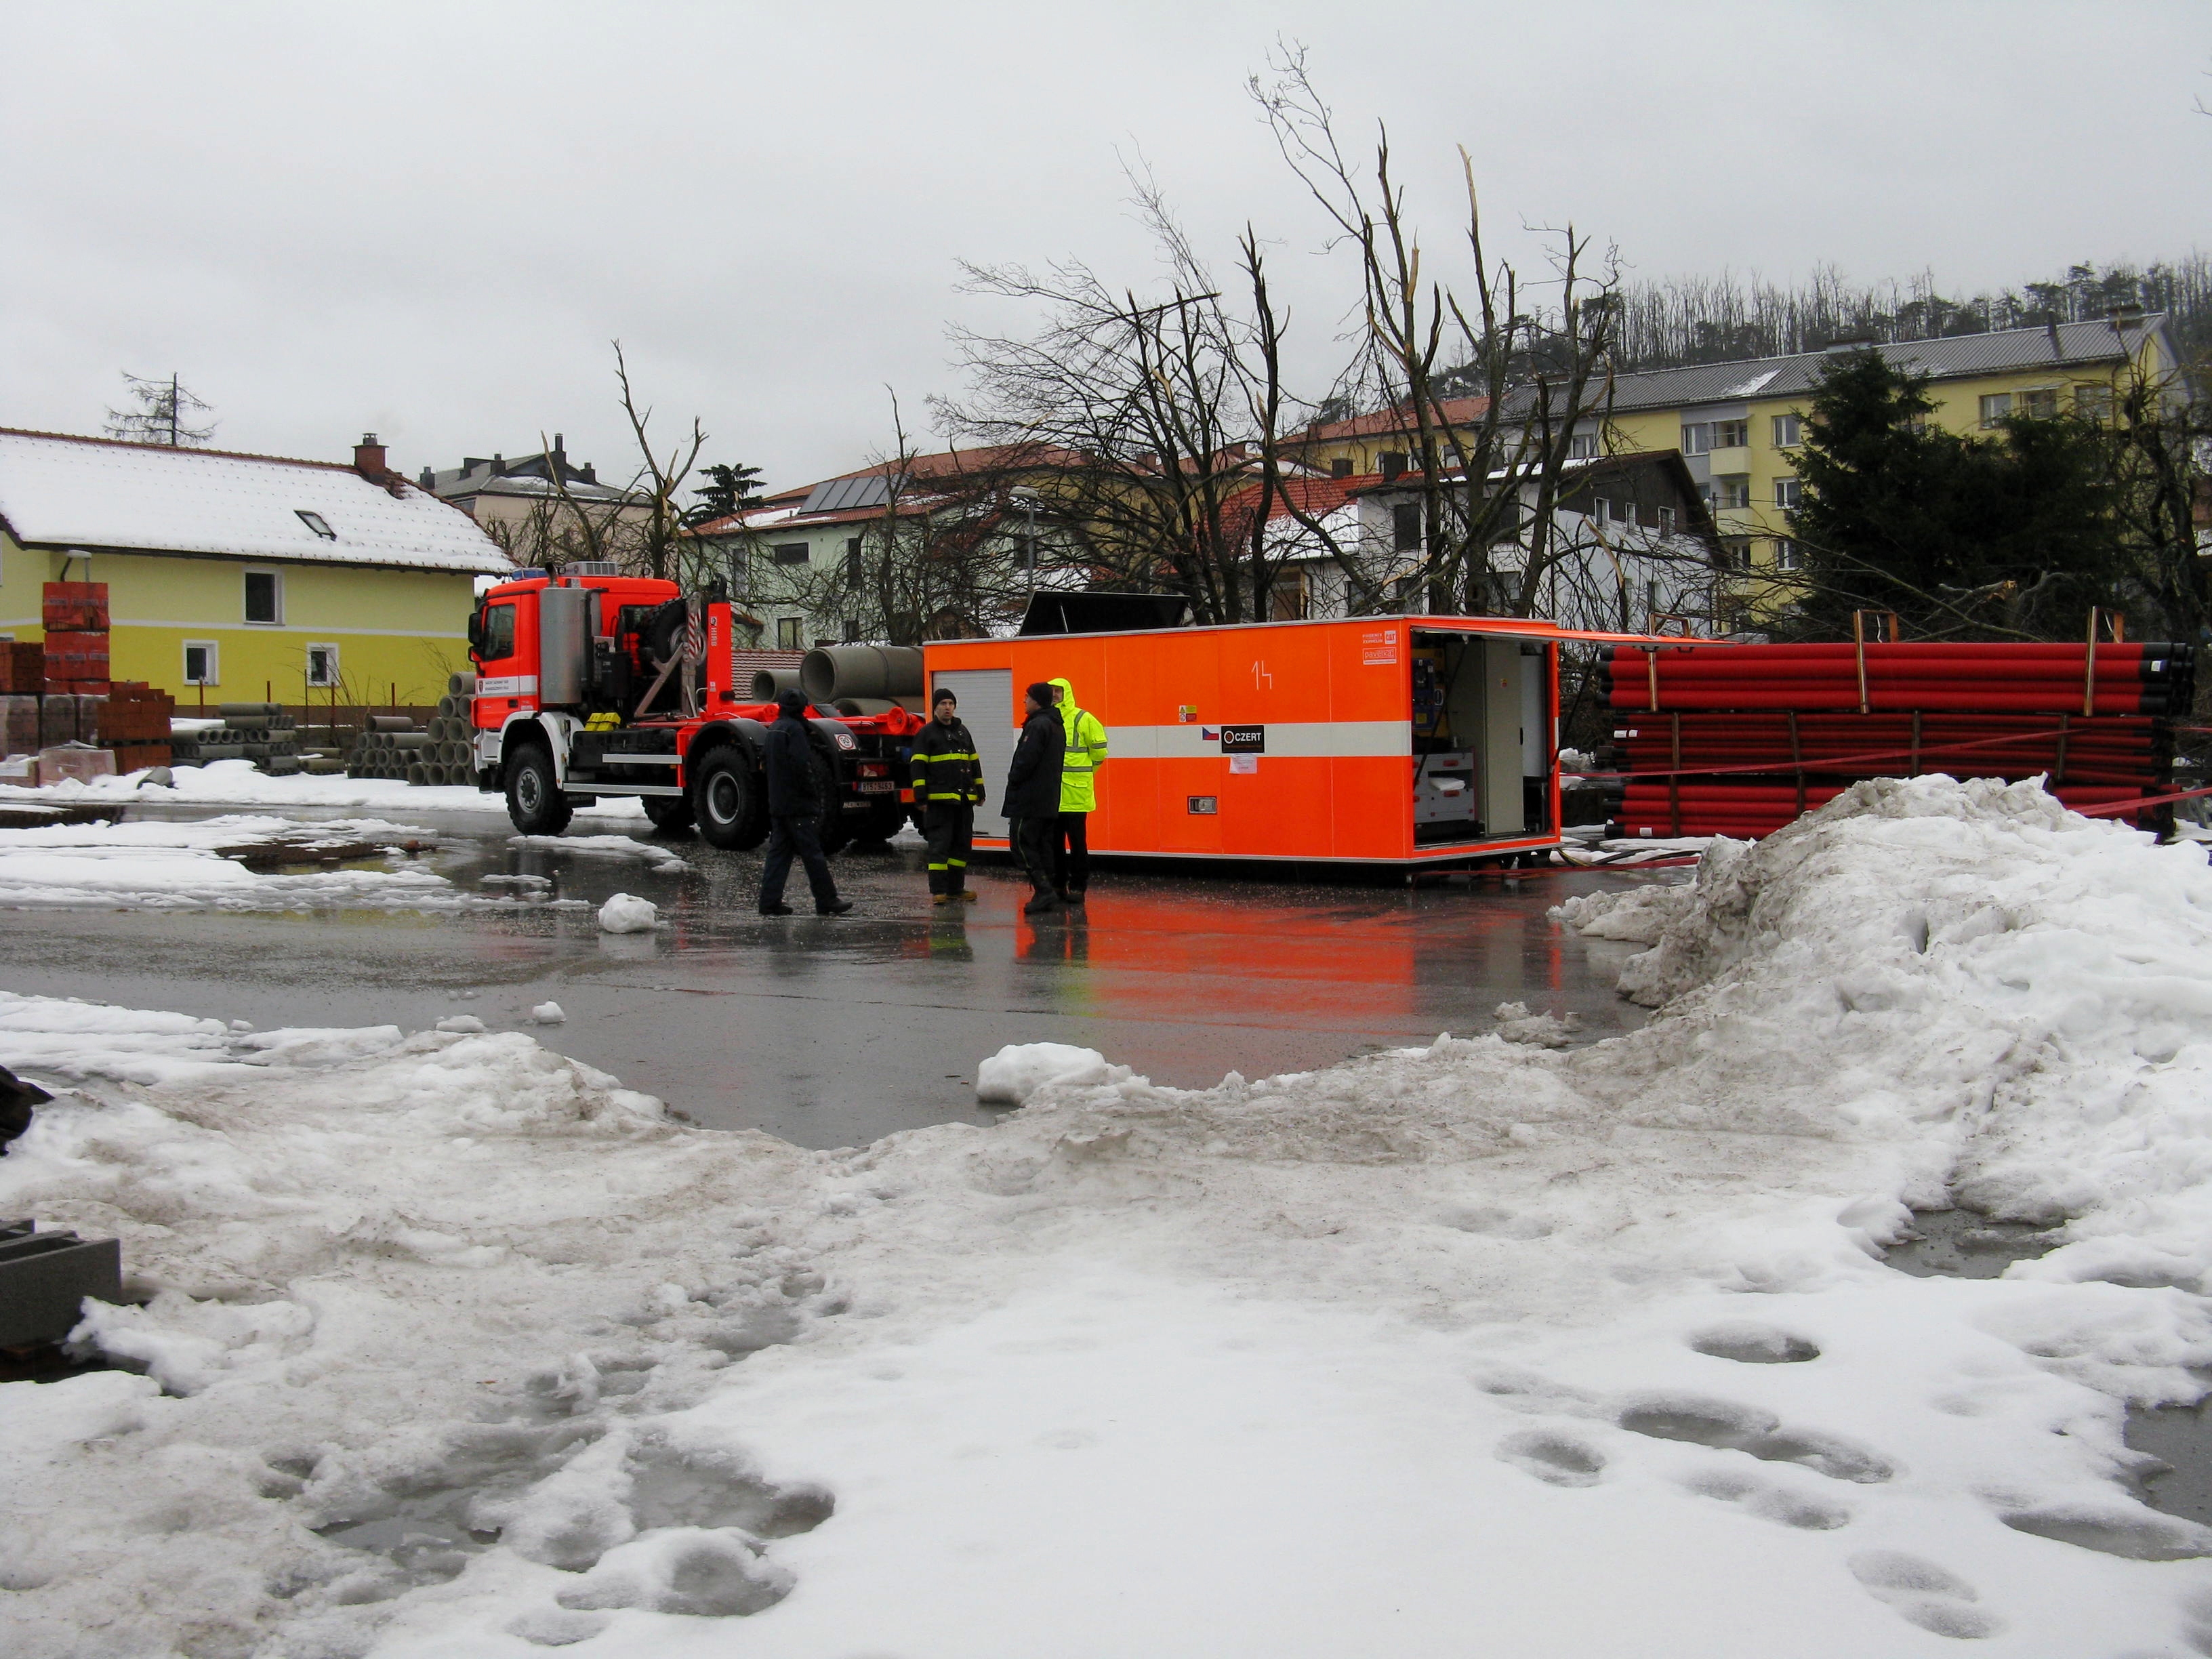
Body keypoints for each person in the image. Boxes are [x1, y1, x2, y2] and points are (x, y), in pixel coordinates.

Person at [758, 689, 853, 916]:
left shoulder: (775, 729)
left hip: (779, 804)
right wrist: (813, 797)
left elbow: (765, 765)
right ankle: (827, 900)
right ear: (802, 707)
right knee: (812, 854)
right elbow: (802, 766)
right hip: (797, 805)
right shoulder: (796, 730)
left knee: (779, 854)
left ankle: (769, 903)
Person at [909, 687, 984, 905]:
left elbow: (974, 762)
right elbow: (918, 767)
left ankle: (955, 889)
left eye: (951, 704)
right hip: (939, 801)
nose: (947, 708)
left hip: (963, 801)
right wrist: (920, 797)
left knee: (962, 846)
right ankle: (939, 891)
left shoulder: (963, 732)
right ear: (935, 708)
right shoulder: (926, 734)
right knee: (940, 847)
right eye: (943, 704)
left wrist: (980, 791)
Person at [1002, 680, 1066, 916]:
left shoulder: (1038, 725)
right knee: (1042, 845)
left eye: (1027, 697)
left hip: (1030, 800)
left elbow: (1026, 761)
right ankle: (1048, 890)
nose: (1024, 701)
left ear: (1037, 701)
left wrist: (1014, 778)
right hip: (1047, 799)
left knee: (1022, 844)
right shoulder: (1055, 724)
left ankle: (1043, 890)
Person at [1048, 677, 1107, 906]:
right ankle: (1058, 885)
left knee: (1077, 844)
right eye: (1051, 691)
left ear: (1067, 693)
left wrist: (1085, 773)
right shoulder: (1047, 719)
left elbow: (1100, 753)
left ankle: (1078, 887)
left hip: (1076, 796)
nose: (1054, 694)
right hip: (1054, 796)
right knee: (1054, 845)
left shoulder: (1084, 719)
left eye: (1058, 691)